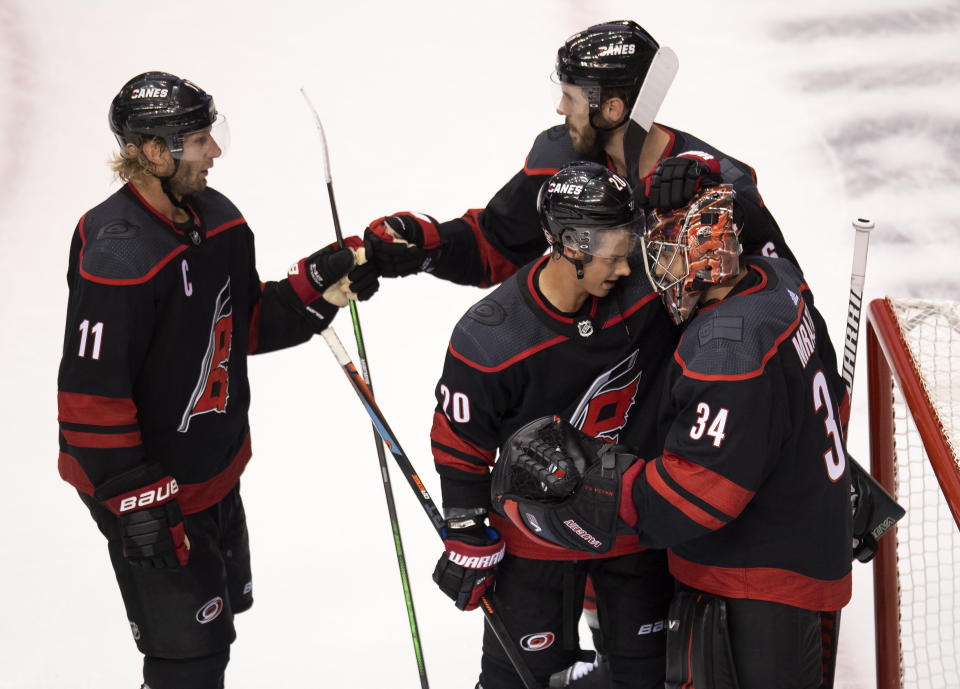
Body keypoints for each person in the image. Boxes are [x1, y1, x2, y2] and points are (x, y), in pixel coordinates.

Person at [56, 72, 374, 689]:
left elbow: (238, 327)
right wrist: (135, 502)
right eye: (200, 139)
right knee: (188, 662)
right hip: (147, 488)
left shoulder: (220, 221)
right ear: (152, 152)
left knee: (217, 629)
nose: (215, 152)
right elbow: (88, 400)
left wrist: (314, 290)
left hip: (213, 473)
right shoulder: (118, 254)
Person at [492, 184, 854, 689]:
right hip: (807, 534)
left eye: (665, 250)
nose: (652, 269)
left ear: (705, 259)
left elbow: (701, 491)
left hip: (758, 574)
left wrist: (598, 489)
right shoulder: (778, 281)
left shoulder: (726, 348)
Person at [429, 162, 680, 689]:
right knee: (515, 681)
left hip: (637, 532)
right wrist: (467, 530)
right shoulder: (489, 337)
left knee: (650, 678)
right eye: (614, 253)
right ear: (570, 245)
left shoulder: (649, 294)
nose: (627, 267)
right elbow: (460, 441)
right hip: (532, 544)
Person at [360, 19, 797, 292]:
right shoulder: (559, 163)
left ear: (611, 109)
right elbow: (495, 244)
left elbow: (786, 294)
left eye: (570, 97)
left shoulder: (720, 182)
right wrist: (428, 244)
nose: (559, 108)